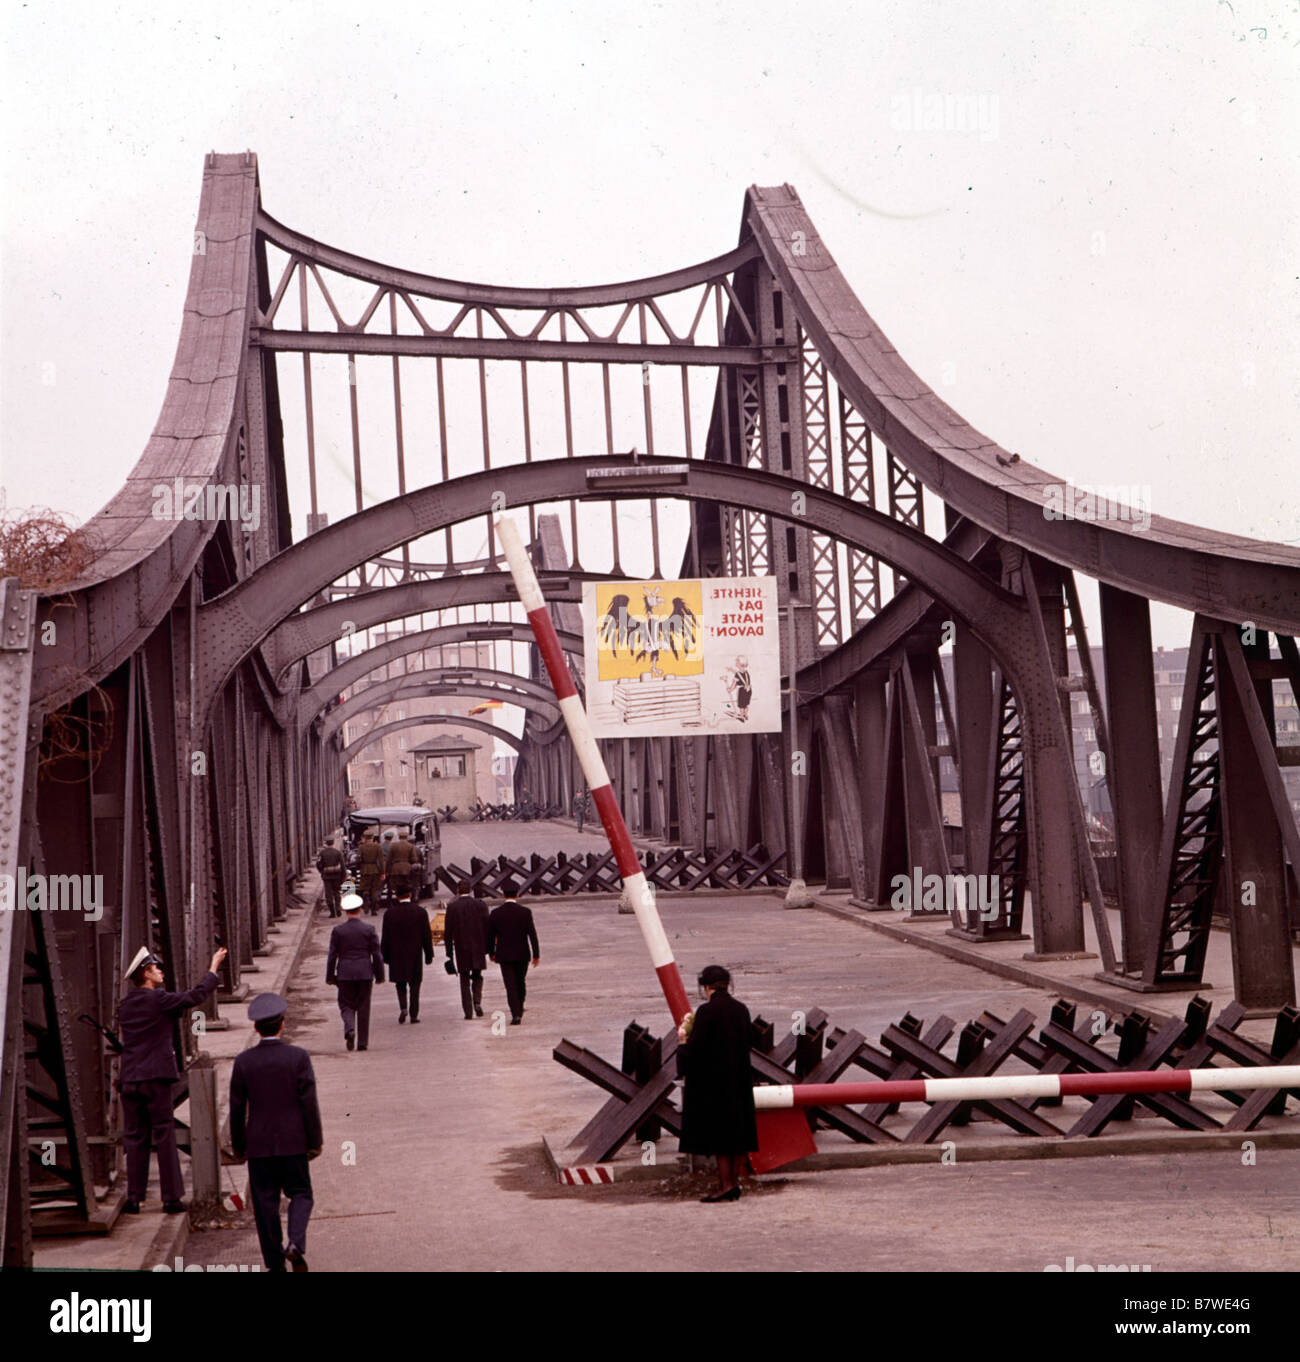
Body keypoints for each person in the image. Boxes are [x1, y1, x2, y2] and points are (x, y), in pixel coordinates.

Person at [116, 943, 228, 1214]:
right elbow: (196, 995)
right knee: (164, 1134)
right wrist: (213, 966)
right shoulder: (159, 1000)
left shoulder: (125, 1006)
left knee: (135, 1138)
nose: (161, 972)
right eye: (156, 969)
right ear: (145, 974)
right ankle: (171, 1198)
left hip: (130, 1078)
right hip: (156, 1078)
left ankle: (134, 1198)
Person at [228, 993, 322, 1272]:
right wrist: (314, 1141)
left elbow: (236, 1108)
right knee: (301, 1193)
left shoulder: (243, 1062)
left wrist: (239, 1146)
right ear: (282, 1023)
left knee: (265, 1205)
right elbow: (309, 1104)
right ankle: (295, 1242)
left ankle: (274, 1264)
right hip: (294, 1142)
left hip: (259, 1145)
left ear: (256, 1028)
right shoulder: (298, 1057)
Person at [677, 964, 758, 1202]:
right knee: (737, 1133)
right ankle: (733, 1184)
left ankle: (725, 1185)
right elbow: (748, 1043)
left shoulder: (707, 1012)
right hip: (740, 1079)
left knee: (721, 1136)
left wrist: (683, 1041)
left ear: (706, 987)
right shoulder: (741, 1009)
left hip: (715, 1082)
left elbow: (697, 1048)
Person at [326, 893, 384, 1050]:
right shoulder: (369, 929)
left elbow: (332, 955)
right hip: (365, 973)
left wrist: (330, 976)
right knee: (364, 1006)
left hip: (345, 973)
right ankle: (363, 1042)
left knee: (346, 1004)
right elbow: (376, 955)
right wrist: (379, 975)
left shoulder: (338, 931)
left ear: (346, 911)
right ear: (360, 909)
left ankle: (350, 1028)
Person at [486, 884, 539, 1026]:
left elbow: (490, 936)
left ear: (503, 895)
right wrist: (536, 954)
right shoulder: (525, 912)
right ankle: (520, 1007)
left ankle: (515, 1014)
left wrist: (491, 952)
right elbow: (532, 934)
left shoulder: (496, 913)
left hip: (504, 955)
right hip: (522, 954)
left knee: (510, 985)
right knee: (520, 982)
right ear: (517, 895)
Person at [381, 886, 433, 1023]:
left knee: (400, 983)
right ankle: (414, 1014)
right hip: (415, 954)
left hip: (396, 954)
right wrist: (429, 954)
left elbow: (385, 937)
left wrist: (384, 956)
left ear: (397, 896)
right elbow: (426, 935)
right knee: (415, 985)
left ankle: (403, 1007)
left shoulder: (389, 913)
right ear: (410, 894)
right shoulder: (420, 912)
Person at [443, 880, 490, 1021]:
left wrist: (449, 953)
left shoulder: (452, 908)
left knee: (464, 979)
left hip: (461, 948)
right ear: (470, 890)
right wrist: (489, 949)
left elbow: (448, 933)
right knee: (477, 975)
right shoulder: (481, 905)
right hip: (478, 947)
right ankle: (477, 1002)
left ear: (458, 890)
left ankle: (468, 1011)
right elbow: (488, 928)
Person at [316, 836, 345, 917]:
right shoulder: (337, 852)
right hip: (337, 876)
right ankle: (338, 909)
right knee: (337, 892)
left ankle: (332, 912)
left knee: (328, 894)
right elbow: (343, 866)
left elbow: (318, 864)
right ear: (333, 842)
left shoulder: (322, 853)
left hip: (327, 876)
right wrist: (344, 876)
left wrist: (321, 871)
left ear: (326, 843)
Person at [357, 830, 384, 915]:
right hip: (375, 869)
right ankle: (374, 910)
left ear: (365, 838)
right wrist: (382, 872)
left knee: (365, 888)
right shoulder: (377, 847)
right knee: (374, 889)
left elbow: (358, 859)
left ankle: (365, 898)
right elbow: (381, 860)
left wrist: (360, 867)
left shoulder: (361, 847)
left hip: (365, 870)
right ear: (372, 837)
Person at [387, 830, 418, 902]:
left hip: (395, 868)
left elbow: (389, 859)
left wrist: (387, 870)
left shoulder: (393, 846)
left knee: (397, 885)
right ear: (407, 838)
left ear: (399, 837)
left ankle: (398, 899)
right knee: (407, 884)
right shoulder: (410, 846)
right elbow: (414, 859)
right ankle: (407, 899)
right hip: (407, 868)